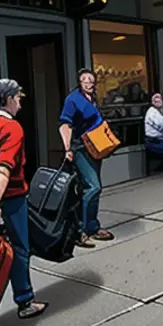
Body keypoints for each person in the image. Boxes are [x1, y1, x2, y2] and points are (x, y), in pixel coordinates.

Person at [0, 78, 49, 319]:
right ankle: (25, 300)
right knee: (19, 250)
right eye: (17, 99)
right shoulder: (11, 128)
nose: (20, 104)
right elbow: (3, 170)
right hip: (8, 199)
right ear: (7, 100)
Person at [59, 68, 115, 248]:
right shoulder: (73, 99)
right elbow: (64, 125)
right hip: (81, 148)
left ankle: (92, 227)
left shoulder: (92, 98)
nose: (89, 83)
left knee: (94, 188)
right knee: (93, 187)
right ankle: (81, 230)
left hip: (95, 147)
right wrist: (67, 148)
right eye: (85, 80)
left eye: (91, 80)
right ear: (79, 82)